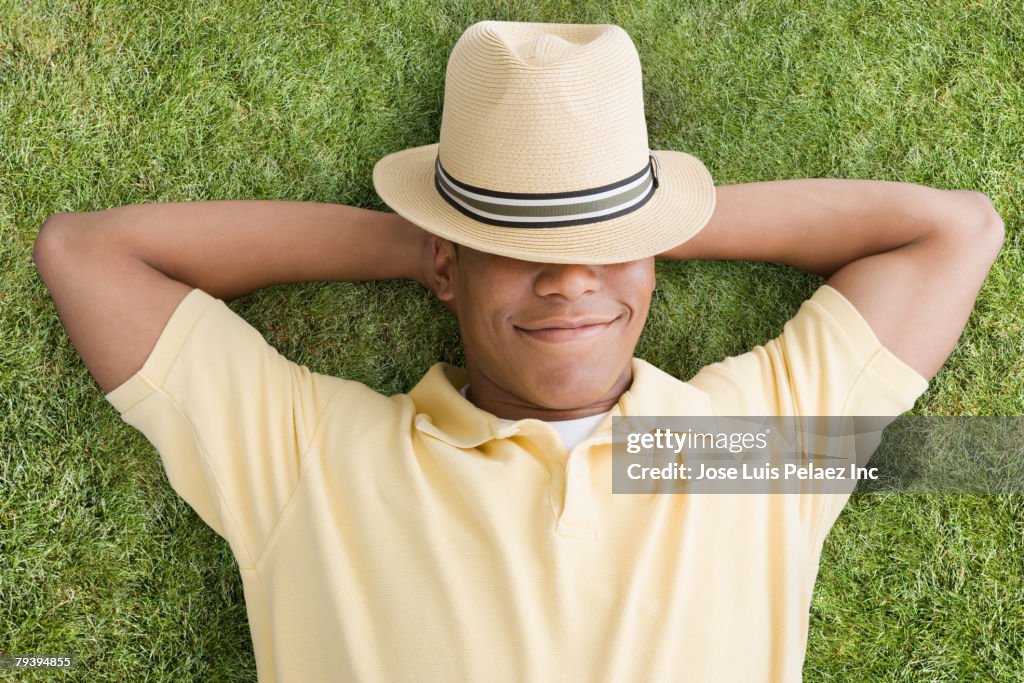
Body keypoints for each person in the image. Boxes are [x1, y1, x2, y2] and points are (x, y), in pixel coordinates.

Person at [32, 20, 1003, 683]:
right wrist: (437, 242)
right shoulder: (307, 455)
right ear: (448, 269)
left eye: (598, 252)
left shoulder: (746, 448)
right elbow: (90, 253)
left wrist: (633, 224)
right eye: (522, 253)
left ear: (653, 261)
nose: (570, 280)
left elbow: (955, 230)